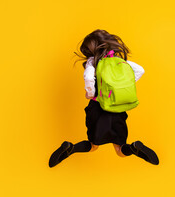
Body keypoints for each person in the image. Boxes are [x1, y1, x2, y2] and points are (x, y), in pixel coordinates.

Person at [49, 29, 159, 168]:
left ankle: (71, 148)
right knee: (120, 149)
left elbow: (89, 78)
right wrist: (119, 87)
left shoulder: (92, 62)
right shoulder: (119, 61)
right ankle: (134, 148)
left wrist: (92, 94)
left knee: (93, 145)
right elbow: (140, 70)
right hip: (117, 107)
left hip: (98, 108)